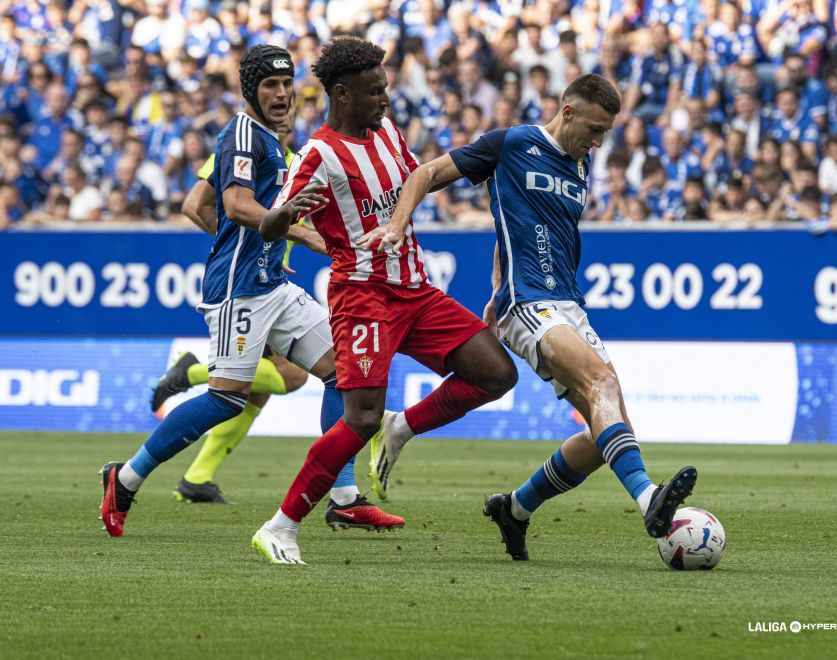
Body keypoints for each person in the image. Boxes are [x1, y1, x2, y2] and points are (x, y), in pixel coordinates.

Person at [365, 74, 697, 561]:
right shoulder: (513, 142)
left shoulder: (580, 164)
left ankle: (515, 509)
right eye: (595, 127)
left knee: (603, 430)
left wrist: (495, 286)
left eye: (607, 130)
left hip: (568, 304)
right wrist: (396, 224)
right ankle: (650, 500)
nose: (600, 140)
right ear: (567, 112)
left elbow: (517, 225)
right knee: (600, 381)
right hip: (530, 305)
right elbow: (425, 174)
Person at [99, 44, 404, 537]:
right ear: (251, 91)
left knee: (342, 373)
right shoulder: (242, 133)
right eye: (270, 86)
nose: (282, 94)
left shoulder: (275, 143)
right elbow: (236, 205)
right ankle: (126, 477)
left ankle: (344, 497)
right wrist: (271, 235)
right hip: (239, 289)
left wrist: (308, 235)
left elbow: (261, 216)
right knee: (227, 399)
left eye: (286, 85)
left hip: (273, 284)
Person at [253, 36, 518, 565]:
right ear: (342, 93)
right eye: (375, 92)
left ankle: (405, 426)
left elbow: (415, 180)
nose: (385, 100)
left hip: (416, 290)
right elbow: (268, 226)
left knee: (496, 373)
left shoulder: (389, 133)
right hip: (363, 297)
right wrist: (287, 215)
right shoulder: (318, 154)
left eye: (387, 89)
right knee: (361, 417)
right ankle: (281, 526)